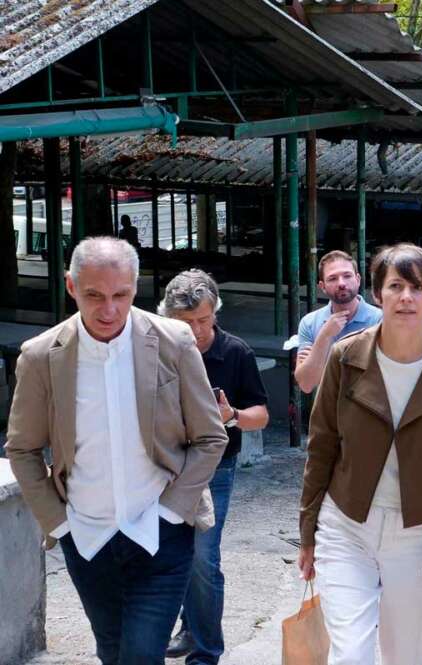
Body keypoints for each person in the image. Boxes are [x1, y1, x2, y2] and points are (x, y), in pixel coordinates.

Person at [5, 237, 228, 664]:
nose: (108, 310)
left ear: (134, 287)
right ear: (71, 287)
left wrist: (170, 512)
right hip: (87, 539)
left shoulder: (173, 340)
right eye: (94, 296)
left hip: (161, 535)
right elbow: (23, 449)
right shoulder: (39, 357)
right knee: (112, 651)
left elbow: (210, 437)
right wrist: (59, 523)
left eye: (120, 295)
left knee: (141, 655)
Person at [297, 243, 422, 665]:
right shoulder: (347, 357)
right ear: (377, 294)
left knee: (407, 657)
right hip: (345, 527)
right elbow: (321, 445)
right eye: (396, 286)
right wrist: (307, 531)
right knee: (352, 655)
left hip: (417, 533)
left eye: (418, 288)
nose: (406, 297)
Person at [158, 270, 270, 664]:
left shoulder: (235, 351)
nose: (197, 330)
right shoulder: (156, 347)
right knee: (169, 551)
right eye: (187, 323)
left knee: (204, 556)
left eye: (204, 320)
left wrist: (233, 415)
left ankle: (206, 652)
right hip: (165, 465)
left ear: (215, 313)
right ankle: (190, 626)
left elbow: (261, 414)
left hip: (215, 467)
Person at [294, 250, 383, 394]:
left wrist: (319, 361)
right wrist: (324, 336)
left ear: (358, 279)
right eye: (332, 278)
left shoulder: (380, 320)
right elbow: (306, 384)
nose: (341, 283)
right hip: (327, 411)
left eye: (347, 276)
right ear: (322, 287)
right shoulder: (309, 322)